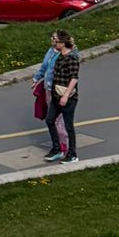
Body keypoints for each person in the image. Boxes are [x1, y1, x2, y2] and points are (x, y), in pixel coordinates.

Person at [44, 28, 80, 162]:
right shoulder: (59, 56)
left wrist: (65, 96)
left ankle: (72, 154)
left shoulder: (71, 58)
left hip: (67, 98)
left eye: (57, 42)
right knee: (49, 120)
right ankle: (57, 148)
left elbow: (74, 78)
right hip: (56, 96)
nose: (54, 44)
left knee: (68, 126)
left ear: (63, 43)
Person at [33, 35, 59, 142]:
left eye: (55, 38)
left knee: (57, 118)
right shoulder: (50, 51)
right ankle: (57, 143)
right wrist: (36, 78)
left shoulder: (65, 54)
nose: (52, 39)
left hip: (57, 89)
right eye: (52, 37)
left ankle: (63, 145)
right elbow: (44, 67)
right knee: (51, 117)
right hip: (47, 87)